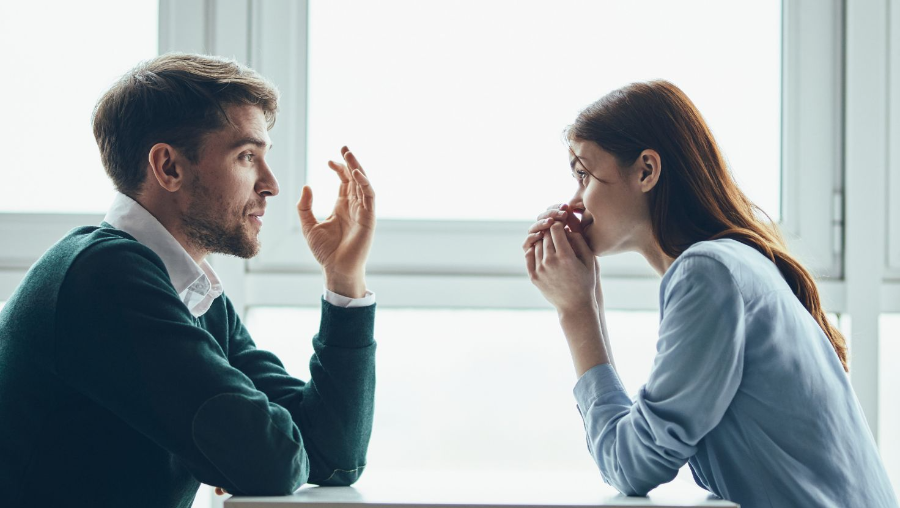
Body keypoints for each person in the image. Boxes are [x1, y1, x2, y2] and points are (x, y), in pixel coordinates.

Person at [0, 53, 377, 508]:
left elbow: (333, 457)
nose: (271, 184)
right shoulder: (104, 276)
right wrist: (242, 449)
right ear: (169, 167)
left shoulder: (191, 293)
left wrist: (343, 279)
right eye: (246, 156)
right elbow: (270, 462)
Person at [523, 80, 898, 507]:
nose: (574, 202)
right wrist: (586, 299)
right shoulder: (732, 263)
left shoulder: (707, 273)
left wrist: (576, 313)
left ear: (646, 171)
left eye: (583, 175)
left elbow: (631, 465)